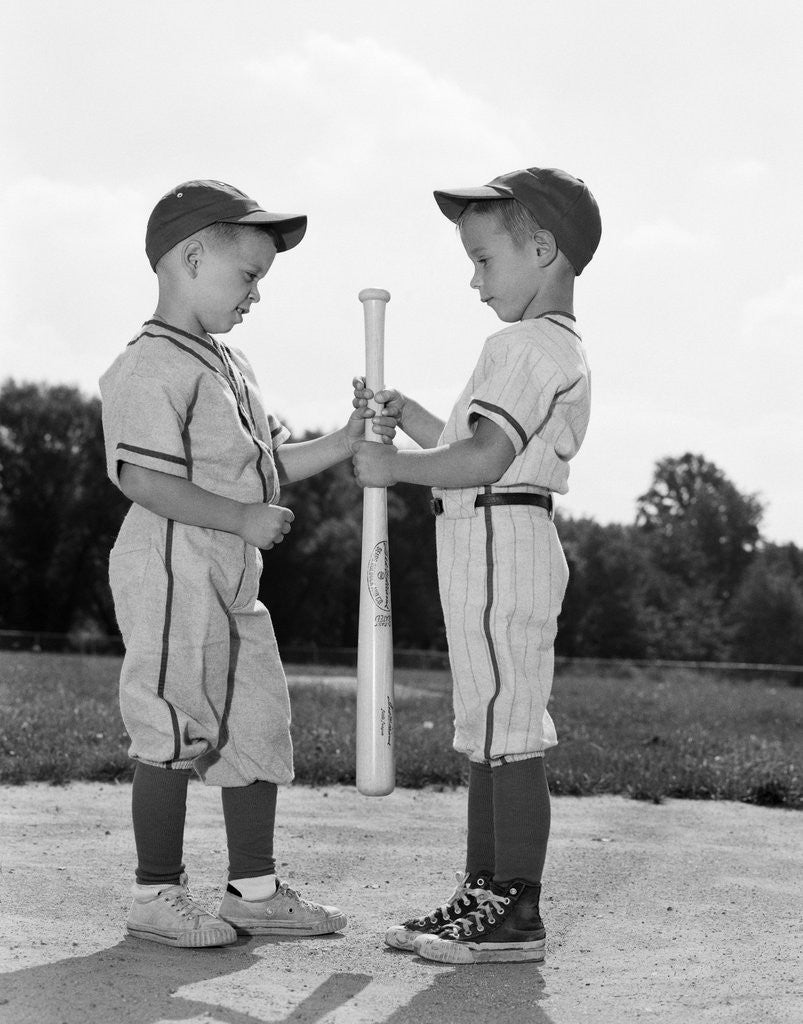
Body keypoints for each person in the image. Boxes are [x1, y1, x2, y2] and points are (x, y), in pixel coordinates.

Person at [100, 179, 393, 948]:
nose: (256, 294)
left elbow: (264, 467)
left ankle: (252, 892)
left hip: (232, 574)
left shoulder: (231, 364)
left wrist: (346, 437)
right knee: (173, 721)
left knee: (259, 724)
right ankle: (156, 893)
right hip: (174, 564)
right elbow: (142, 479)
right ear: (193, 258)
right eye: (249, 275)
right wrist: (239, 519)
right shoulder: (148, 365)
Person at [352, 167, 601, 964]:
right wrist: (409, 420)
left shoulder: (527, 344)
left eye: (484, 259)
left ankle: (515, 909)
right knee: (486, 730)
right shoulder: (534, 346)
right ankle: (483, 893)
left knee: (509, 730)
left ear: (542, 249)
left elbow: (485, 457)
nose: (474, 280)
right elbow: (468, 445)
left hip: (501, 539)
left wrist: (392, 470)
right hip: (484, 537)